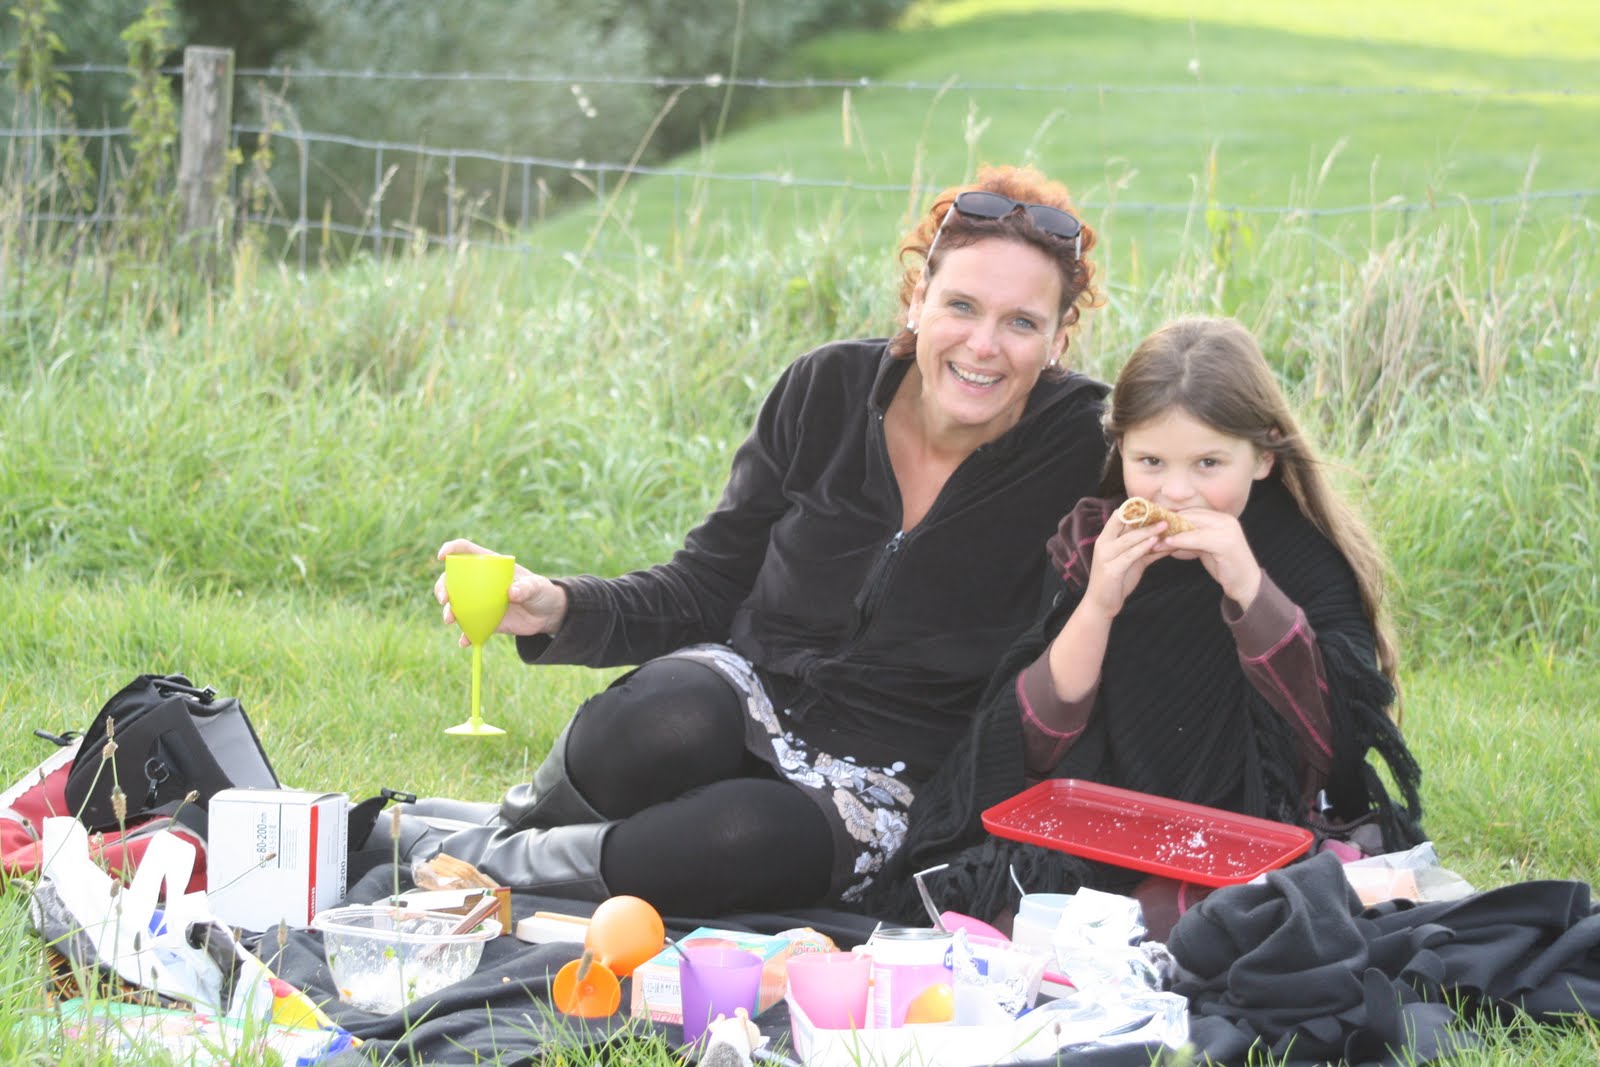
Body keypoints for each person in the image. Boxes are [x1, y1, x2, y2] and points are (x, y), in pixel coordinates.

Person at [377, 164, 1113, 916]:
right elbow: (707, 584)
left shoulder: (1089, 451)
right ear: (917, 299)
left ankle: (450, 856)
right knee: (658, 716)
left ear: (1058, 339)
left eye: (1021, 323)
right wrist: (558, 606)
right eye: (961, 305)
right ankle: (499, 833)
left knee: (739, 835)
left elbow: (1187, 482)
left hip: (894, 776)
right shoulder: (825, 387)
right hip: (751, 689)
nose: (984, 345)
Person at [860, 316, 1425, 926]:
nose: (1175, 492)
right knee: (993, 905)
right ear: (1120, 450)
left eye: (1209, 463)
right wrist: (1099, 604)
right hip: (1108, 824)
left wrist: (1249, 590)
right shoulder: (1093, 539)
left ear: (1263, 456)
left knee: (1215, 922)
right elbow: (1034, 745)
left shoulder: (1304, 556)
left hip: (1255, 830)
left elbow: (1335, 748)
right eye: (1151, 460)